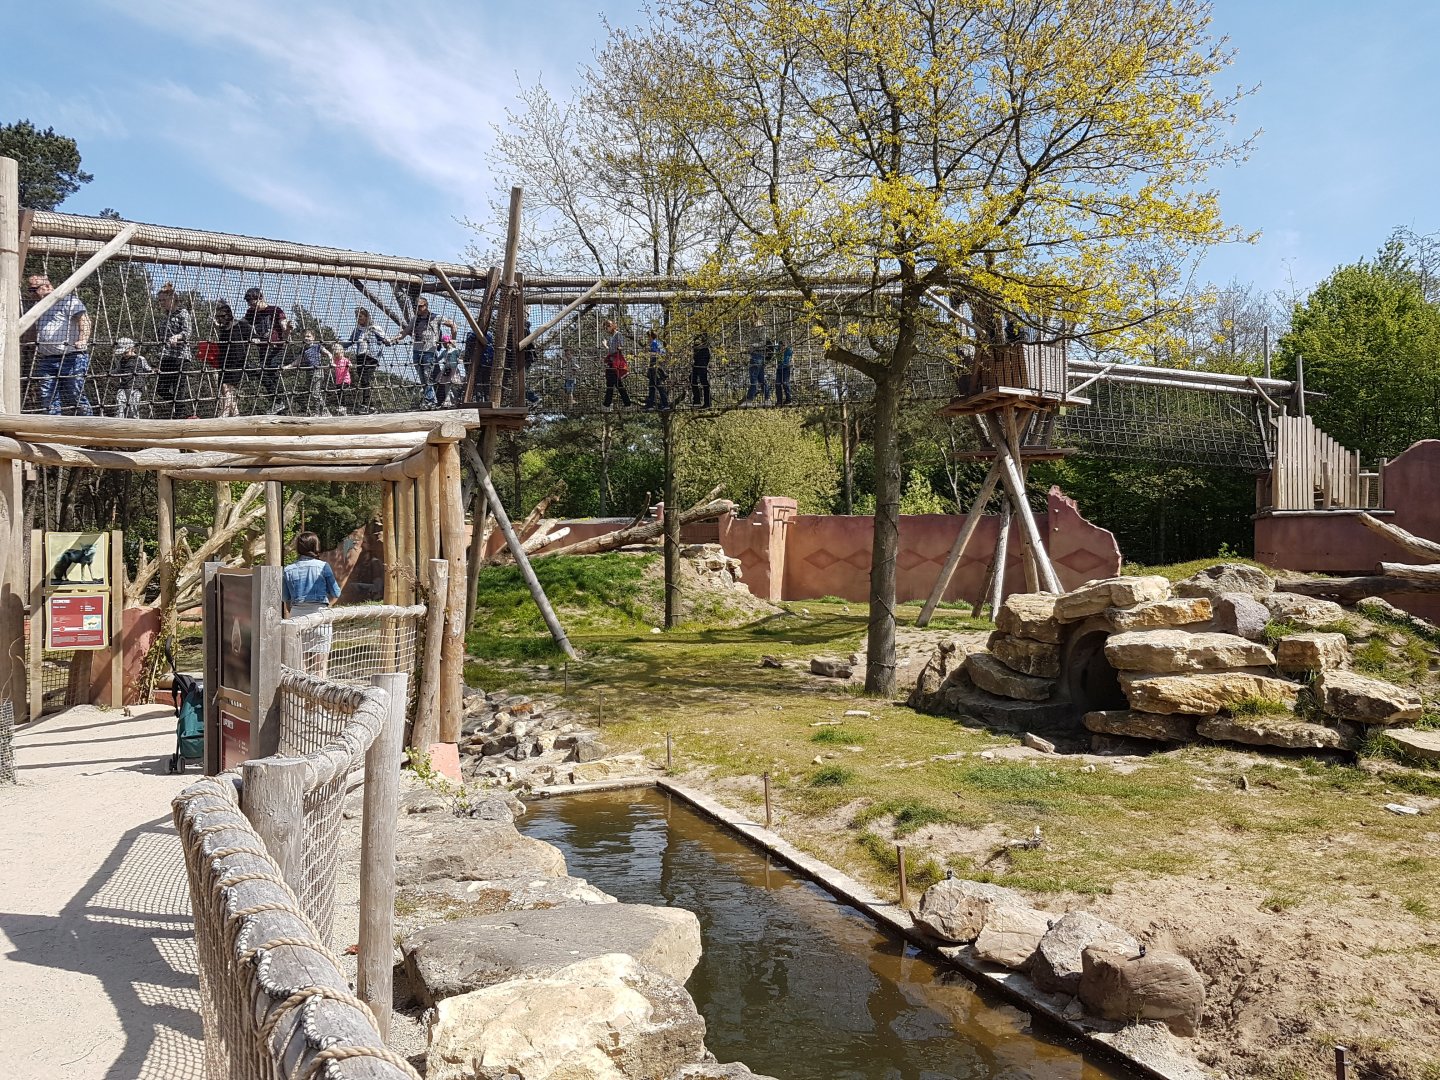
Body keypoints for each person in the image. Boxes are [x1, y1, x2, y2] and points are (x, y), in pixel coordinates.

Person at [25, 274, 95, 416]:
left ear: (47, 286)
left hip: (72, 356)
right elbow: (33, 328)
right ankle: (54, 426)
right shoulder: (37, 306)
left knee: (75, 394)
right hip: (47, 359)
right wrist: (26, 343)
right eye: (29, 290)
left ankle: (88, 423)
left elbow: (84, 320)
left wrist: (83, 339)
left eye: (33, 290)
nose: (30, 294)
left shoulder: (68, 300)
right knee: (47, 397)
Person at [283, 531, 342, 675]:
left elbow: (286, 598)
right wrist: (327, 606)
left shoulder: (288, 570)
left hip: (297, 618)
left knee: (300, 668)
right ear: (316, 546)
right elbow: (336, 593)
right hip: (321, 617)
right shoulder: (324, 567)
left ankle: (299, 691)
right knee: (320, 668)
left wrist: (294, 609)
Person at [390, 296, 456, 407]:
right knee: (423, 377)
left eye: (420, 306)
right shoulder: (415, 319)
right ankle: (432, 400)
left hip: (429, 352)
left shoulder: (435, 317)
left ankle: (430, 400)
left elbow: (452, 324)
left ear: (426, 306)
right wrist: (394, 338)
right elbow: (406, 331)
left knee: (427, 375)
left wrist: (453, 340)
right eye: (416, 307)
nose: (418, 309)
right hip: (416, 351)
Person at [244, 286, 291, 415]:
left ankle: (279, 402)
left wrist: (288, 328)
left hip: (276, 348)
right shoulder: (250, 313)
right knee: (265, 374)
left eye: (254, 304)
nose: (252, 307)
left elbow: (284, 327)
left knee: (269, 372)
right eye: (250, 305)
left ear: (261, 298)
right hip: (263, 348)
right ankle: (279, 405)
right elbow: (243, 325)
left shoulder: (275, 310)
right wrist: (252, 336)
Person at [153, 282, 195, 419]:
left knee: (179, 389)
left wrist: (178, 336)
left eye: (163, 300)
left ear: (172, 299)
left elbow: (187, 332)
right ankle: (183, 409)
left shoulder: (183, 313)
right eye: (160, 300)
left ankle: (180, 416)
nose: (161, 303)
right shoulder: (165, 316)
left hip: (181, 356)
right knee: (161, 389)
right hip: (167, 356)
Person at [212, 301, 252, 417]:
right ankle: (236, 414)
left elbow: (252, 334)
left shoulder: (241, 325)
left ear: (228, 315)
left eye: (222, 316)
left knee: (226, 387)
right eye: (218, 316)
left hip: (237, 362)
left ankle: (225, 413)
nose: (220, 319)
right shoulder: (223, 329)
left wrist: (255, 339)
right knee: (224, 388)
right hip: (224, 362)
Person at [343, 307, 387, 414]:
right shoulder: (357, 330)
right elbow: (350, 342)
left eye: (360, 316)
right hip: (360, 357)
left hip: (371, 357)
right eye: (357, 317)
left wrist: (389, 341)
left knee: (365, 378)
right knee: (363, 380)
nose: (358, 319)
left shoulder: (374, 328)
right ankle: (370, 405)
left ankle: (366, 403)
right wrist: (338, 344)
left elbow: (384, 339)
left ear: (366, 317)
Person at [283, 329, 328, 416]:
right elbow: (297, 361)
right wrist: (287, 367)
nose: (306, 338)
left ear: (313, 337)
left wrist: (331, 360)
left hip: (317, 371)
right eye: (304, 337)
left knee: (315, 393)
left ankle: (317, 412)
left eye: (308, 336)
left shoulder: (317, 346)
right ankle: (324, 411)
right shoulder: (303, 350)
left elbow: (328, 353)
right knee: (313, 393)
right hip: (309, 372)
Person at [110, 338, 153, 418]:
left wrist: (153, 371)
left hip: (136, 387)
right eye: (122, 353)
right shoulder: (122, 360)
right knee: (119, 405)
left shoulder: (140, 359)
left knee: (133, 408)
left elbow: (148, 369)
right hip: (123, 387)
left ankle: (134, 422)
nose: (124, 355)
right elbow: (118, 370)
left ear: (132, 349)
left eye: (125, 353)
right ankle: (119, 421)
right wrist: (109, 373)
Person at [601, 319, 631, 409]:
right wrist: (606, 345)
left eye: (607, 327)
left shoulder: (618, 334)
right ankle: (626, 402)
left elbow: (621, 346)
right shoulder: (611, 337)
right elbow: (610, 350)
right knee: (615, 383)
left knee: (612, 383)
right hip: (611, 361)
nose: (607, 329)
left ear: (611, 326)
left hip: (615, 361)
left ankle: (607, 404)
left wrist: (619, 347)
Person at [432, 332, 464, 407]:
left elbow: (461, 357)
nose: (443, 345)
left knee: (452, 386)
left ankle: (457, 398)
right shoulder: (444, 352)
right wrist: (433, 362)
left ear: (448, 343)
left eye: (444, 343)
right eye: (443, 343)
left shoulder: (455, 350)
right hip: (446, 370)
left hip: (453, 370)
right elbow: (438, 359)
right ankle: (448, 401)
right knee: (447, 385)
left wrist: (459, 361)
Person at [742, 321, 769, 404]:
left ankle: (749, 399)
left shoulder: (760, 329)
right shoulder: (757, 330)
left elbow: (763, 343)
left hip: (756, 357)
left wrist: (753, 345)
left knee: (753, 380)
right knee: (761, 379)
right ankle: (767, 399)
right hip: (758, 356)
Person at [643, 328, 669, 411]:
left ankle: (665, 404)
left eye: (648, 336)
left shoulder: (654, 343)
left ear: (650, 336)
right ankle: (650, 405)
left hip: (655, 366)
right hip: (656, 365)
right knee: (651, 386)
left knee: (659, 386)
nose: (648, 338)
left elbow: (655, 353)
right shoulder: (659, 343)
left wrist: (647, 353)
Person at [689, 334, 712, 409]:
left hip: (701, 365)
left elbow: (705, 345)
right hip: (697, 364)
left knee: (704, 382)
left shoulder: (705, 348)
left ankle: (707, 402)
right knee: (692, 378)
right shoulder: (699, 348)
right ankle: (697, 400)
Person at [331, 343, 352, 415]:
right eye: (336, 354)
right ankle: (342, 406)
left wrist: (349, 365)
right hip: (338, 381)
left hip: (346, 379)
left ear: (342, 352)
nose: (339, 356)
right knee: (339, 393)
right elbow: (331, 363)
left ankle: (343, 406)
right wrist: (332, 365)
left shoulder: (345, 360)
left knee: (342, 390)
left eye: (339, 354)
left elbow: (350, 364)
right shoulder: (335, 360)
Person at [773, 339, 794, 406]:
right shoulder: (777, 350)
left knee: (785, 383)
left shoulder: (788, 350)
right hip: (779, 368)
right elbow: (773, 346)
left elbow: (792, 356)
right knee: (777, 384)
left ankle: (788, 400)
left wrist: (791, 362)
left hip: (786, 368)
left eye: (784, 346)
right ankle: (779, 401)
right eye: (781, 346)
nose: (782, 347)